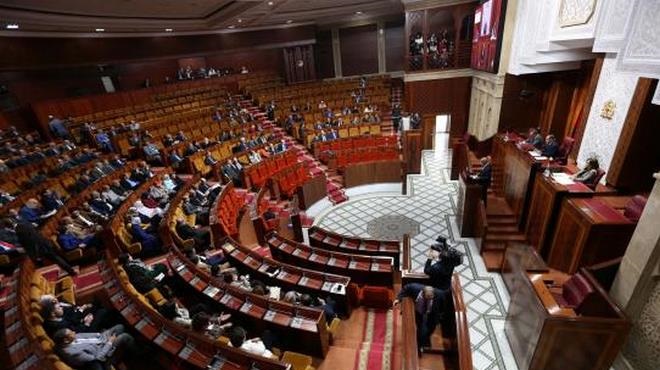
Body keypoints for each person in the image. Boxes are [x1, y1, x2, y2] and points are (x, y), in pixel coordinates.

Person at [53, 325, 135, 369]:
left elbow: (90, 335)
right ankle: (137, 351)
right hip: (102, 351)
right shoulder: (73, 353)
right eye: (71, 333)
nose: (74, 332)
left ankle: (125, 350)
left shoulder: (71, 339)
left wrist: (103, 335)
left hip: (100, 340)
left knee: (119, 327)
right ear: (66, 340)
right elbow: (98, 358)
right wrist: (109, 342)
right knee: (124, 336)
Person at [393, 284, 447, 350]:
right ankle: (419, 344)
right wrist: (398, 299)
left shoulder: (440, 294)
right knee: (420, 327)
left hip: (431, 314)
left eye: (430, 298)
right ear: (423, 294)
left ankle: (425, 340)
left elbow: (443, 305)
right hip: (419, 312)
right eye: (426, 299)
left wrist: (440, 315)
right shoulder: (415, 288)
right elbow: (406, 288)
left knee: (431, 328)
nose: (428, 300)